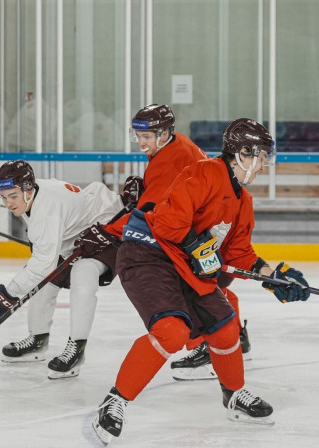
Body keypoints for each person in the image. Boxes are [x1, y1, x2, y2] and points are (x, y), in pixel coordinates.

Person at [92, 118, 311, 444]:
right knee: (172, 330)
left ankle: (234, 395)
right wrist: (199, 248)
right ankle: (115, 401)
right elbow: (167, 222)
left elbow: (239, 254)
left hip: (187, 266)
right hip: (149, 255)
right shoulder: (205, 172)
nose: (264, 165)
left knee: (225, 325)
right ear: (242, 153)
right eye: (262, 156)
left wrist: (275, 276)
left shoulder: (244, 202)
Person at [94, 104, 250, 381]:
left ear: (165, 133)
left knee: (198, 288)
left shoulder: (171, 157)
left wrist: (108, 231)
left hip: (198, 235)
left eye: (148, 136)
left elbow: (151, 213)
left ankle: (210, 346)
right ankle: (235, 335)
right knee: (211, 287)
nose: (142, 143)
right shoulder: (178, 146)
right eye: (138, 136)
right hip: (208, 229)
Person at [0, 160, 128, 380]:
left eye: (13, 196)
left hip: (107, 228)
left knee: (82, 275)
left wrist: (6, 295)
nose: (8, 203)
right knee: (46, 282)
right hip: (78, 235)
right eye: (4, 197)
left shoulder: (47, 209)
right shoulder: (35, 194)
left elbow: (42, 264)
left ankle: (77, 349)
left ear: (28, 190)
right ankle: (37, 340)